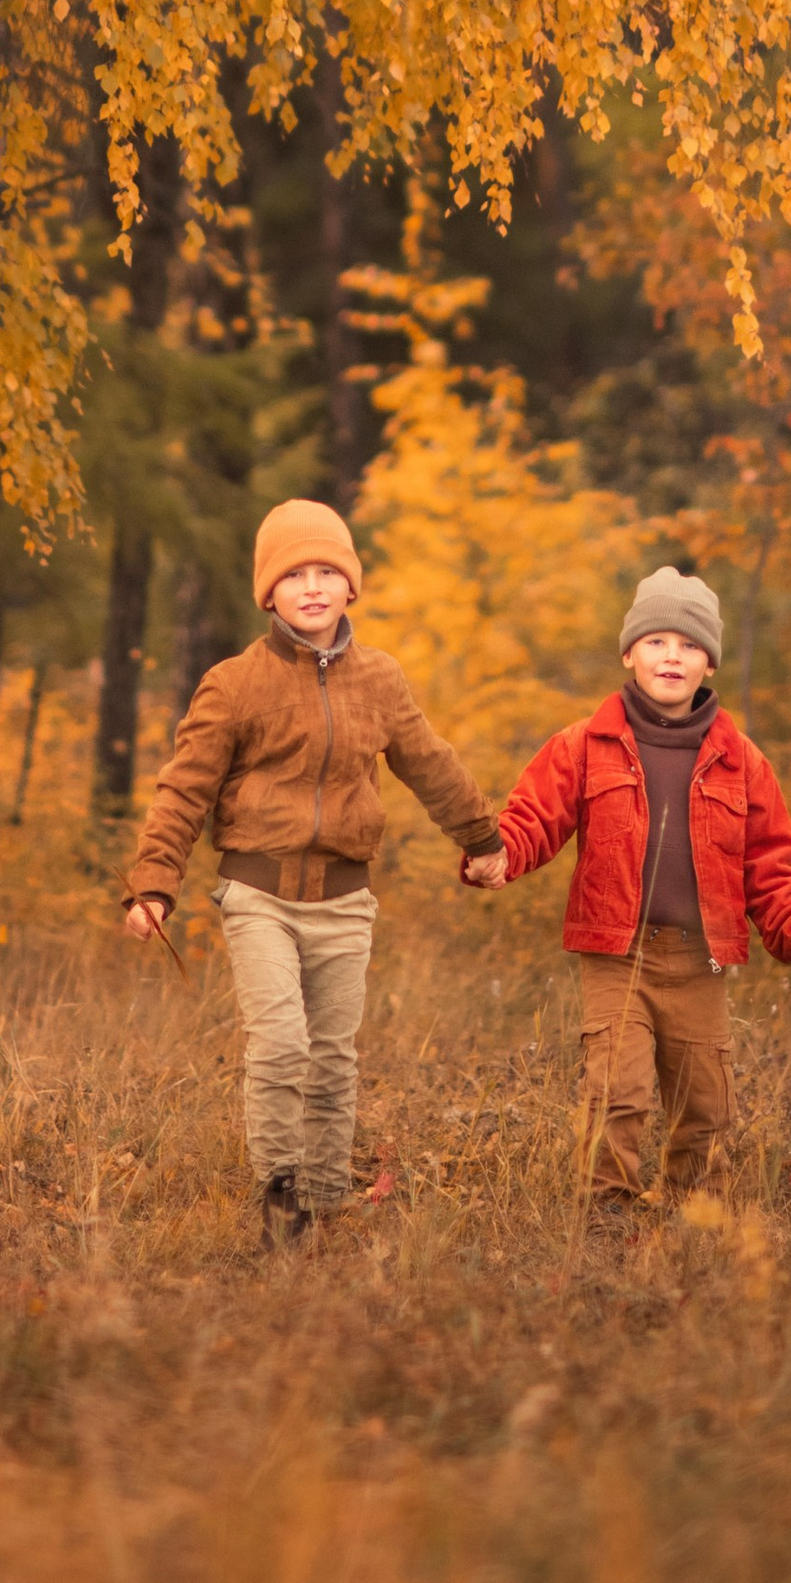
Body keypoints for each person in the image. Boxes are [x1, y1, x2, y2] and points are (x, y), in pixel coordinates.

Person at [122, 496, 508, 1244]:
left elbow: (429, 763)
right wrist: (154, 885)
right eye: (294, 574)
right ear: (269, 591)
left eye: (327, 571)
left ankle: (326, 1199)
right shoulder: (235, 683)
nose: (312, 587)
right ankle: (281, 1198)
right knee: (280, 1045)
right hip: (258, 893)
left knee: (332, 1058)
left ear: (350, 584)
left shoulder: (381, 679)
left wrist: (482, 837)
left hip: (344, 899)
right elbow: (185, 789)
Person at [483, 565, 791, 1216]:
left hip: (699, 960)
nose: (672, 656)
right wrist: (498, 855)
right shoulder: (584, 745)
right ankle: (606, 1215)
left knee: (705, 1104)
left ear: (709, 663)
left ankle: (694, 1217)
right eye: (656, 641)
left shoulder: (743, 761)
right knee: (617, 1091)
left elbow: (769, 871)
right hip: (617, 953)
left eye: (689, 645)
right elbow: (533, 819)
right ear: (629, 653)